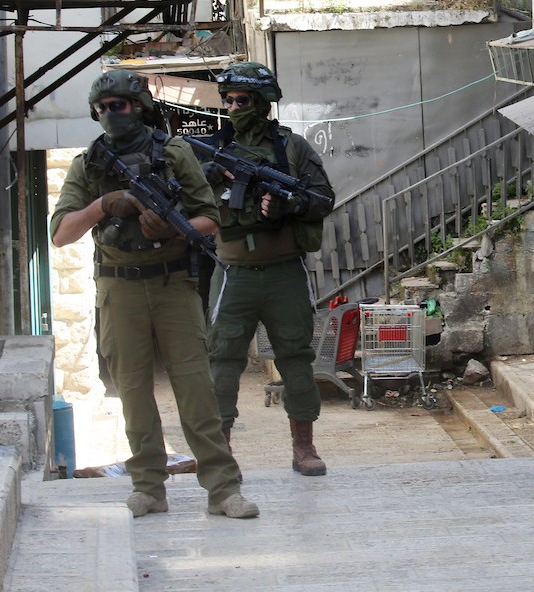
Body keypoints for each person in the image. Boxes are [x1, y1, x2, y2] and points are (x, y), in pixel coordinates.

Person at [50, 69, 258, 519]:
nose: (111, 114)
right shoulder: (89, 163)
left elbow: (209, 219)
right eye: (102, 108)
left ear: (139, 106)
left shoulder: (174, 152)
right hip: (118, 288)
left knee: (196, 389)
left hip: (172, 284)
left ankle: (223, 488)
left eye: (119, 105)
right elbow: (61, 233)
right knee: (132, 392)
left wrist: (170, 228)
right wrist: (103, 205)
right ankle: (148, 486)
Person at [203, 62, 335, 476]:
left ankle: (304, 448)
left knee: (296, 358)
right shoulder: (212, 149)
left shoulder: (292, 148)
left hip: (284, 273)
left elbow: (323, 198)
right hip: (234, 274)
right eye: (228, 100)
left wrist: (289, 204)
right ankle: (220, 454)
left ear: (261, 103)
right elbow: (185, 202)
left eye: (242, 100)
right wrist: (205, 179)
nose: (233, 107)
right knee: (222, 360)